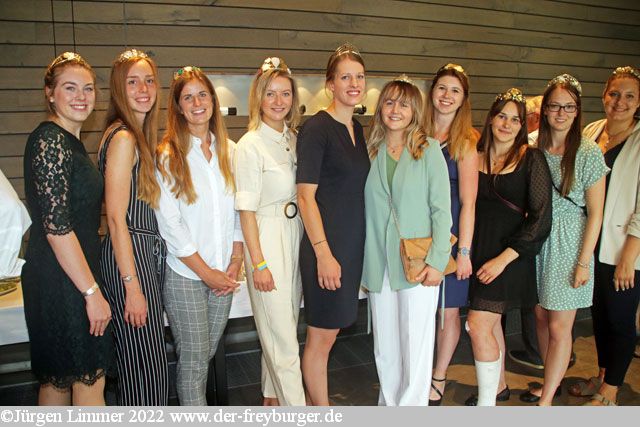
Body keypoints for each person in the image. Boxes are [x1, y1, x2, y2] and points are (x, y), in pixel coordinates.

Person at [21, 52, 114, 405]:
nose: (81, 96)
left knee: (58, 382)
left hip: (65, 276)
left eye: (88, 88)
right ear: (50, 93)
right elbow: (57, 229)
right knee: (88, 380)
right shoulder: (51, 141)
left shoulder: (67, 142)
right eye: (70, 87)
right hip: (65, 281)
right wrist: (92, 293)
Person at [155, 65, 243, 406]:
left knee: (204, 354)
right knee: (193, 364)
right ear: (178, 107)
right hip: (187, 276)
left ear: (213, 100)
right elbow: (171, 225)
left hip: (224, 273)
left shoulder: (229, 151)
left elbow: (238, 211)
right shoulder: (168, 156)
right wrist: (207, 273)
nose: (196, 103)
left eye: (202, 95)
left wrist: (235, 261)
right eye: (188, 98)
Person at [362, 76, 452, 406]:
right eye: (389, 102)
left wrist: (438, 261)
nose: (395, 109)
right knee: (385, 346)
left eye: (404, 104)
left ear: (415, 110)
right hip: (379, 261)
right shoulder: (371, 151)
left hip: (418, 263)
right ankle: (389, 406)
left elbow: (442, 210)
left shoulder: (428, 150)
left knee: (415, 344)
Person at [519, 74, 608, 406]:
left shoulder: (588, 152)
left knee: (559, 326)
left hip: (569, 242)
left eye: (568, 107)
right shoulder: (532, 145)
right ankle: (550, 383)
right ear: (544, 109)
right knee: (541, 316)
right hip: (536, 239)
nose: (561, 113)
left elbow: (595, 214)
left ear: (577, 110)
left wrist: (584, 262)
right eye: (555, 106)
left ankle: (545, 404)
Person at [466, 88, 552, 406]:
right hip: (478, 253)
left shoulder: (531, 159)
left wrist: (503, 260)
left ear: (522, 125)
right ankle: (499, 385)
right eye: (502, 116)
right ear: (491, 118)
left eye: (515, 120)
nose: (507, 124)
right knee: (491, 324)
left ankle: (487, 404)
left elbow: (541, 219)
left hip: (510, 257)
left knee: (477, 325)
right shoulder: (474, 154)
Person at [296, 43, 370, 406]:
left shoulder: (357, 127)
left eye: (359, 77)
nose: (354, 84)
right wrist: (324, 255)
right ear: (330, 85)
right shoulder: (317, 128)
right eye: (345, 77)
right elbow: (305, 197)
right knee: (321, 338)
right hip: (326, 248)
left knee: (331, 332)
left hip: (350, 248)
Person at [98, 49, 169, 405]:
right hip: (131, 256)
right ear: (118, 89)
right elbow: (115, 218)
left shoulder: (136, 136)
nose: (143, 89)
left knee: (145, 363)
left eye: (149, 80)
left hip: (140, 253)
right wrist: (132, 286)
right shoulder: (124, 138)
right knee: (144, 368)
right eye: (132, 82)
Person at [234, 57, 305, 406]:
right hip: (266, 234)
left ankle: (271, 398)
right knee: (284, 341)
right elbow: (246, 211)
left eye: (285, 94)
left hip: (295, 231)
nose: (279, 101)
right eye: (271, 94)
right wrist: (258, 263)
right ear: (258, 98)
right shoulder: (250, 144)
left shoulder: (293, 138)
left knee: (284, 326)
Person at [571, 66, 640, 406]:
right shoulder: (592, 131)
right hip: (590, 242)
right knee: (598, 313)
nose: (620, 102)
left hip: (623, 247)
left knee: (620, 318)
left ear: (638, 102)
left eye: (629, 96)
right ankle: (602, 374)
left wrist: (629, 255)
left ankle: (611, 389)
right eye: (614, 94)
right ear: (604, 95)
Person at [421, 63, 479, 405]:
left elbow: (469, 203)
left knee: (448, 310)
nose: (447, 95)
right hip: (418, 235)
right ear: (432, 91)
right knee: (419, 308)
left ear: (463, 99)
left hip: (453, 235)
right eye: (442, 87)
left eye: (455, 90)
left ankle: (439, 375)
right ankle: (417, 369)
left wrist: (464, 252)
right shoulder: (415, 131)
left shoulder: (466, 143)